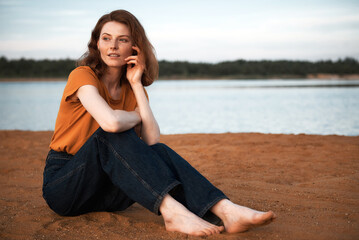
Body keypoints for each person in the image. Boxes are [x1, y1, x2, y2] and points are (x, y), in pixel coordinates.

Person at [42, 9, 276, 236]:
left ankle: (226, 210)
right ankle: (172, 212)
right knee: (110, 135)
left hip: (110, 192)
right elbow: (111, 124)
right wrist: (136, 116)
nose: (113, 46)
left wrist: (135, 83)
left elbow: (152, 140)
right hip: (67, 185)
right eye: (106, 38)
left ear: (135, 48)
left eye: (122, 40)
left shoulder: (133, 89)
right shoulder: (82, 75)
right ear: (97, 44)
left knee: (158, 151)